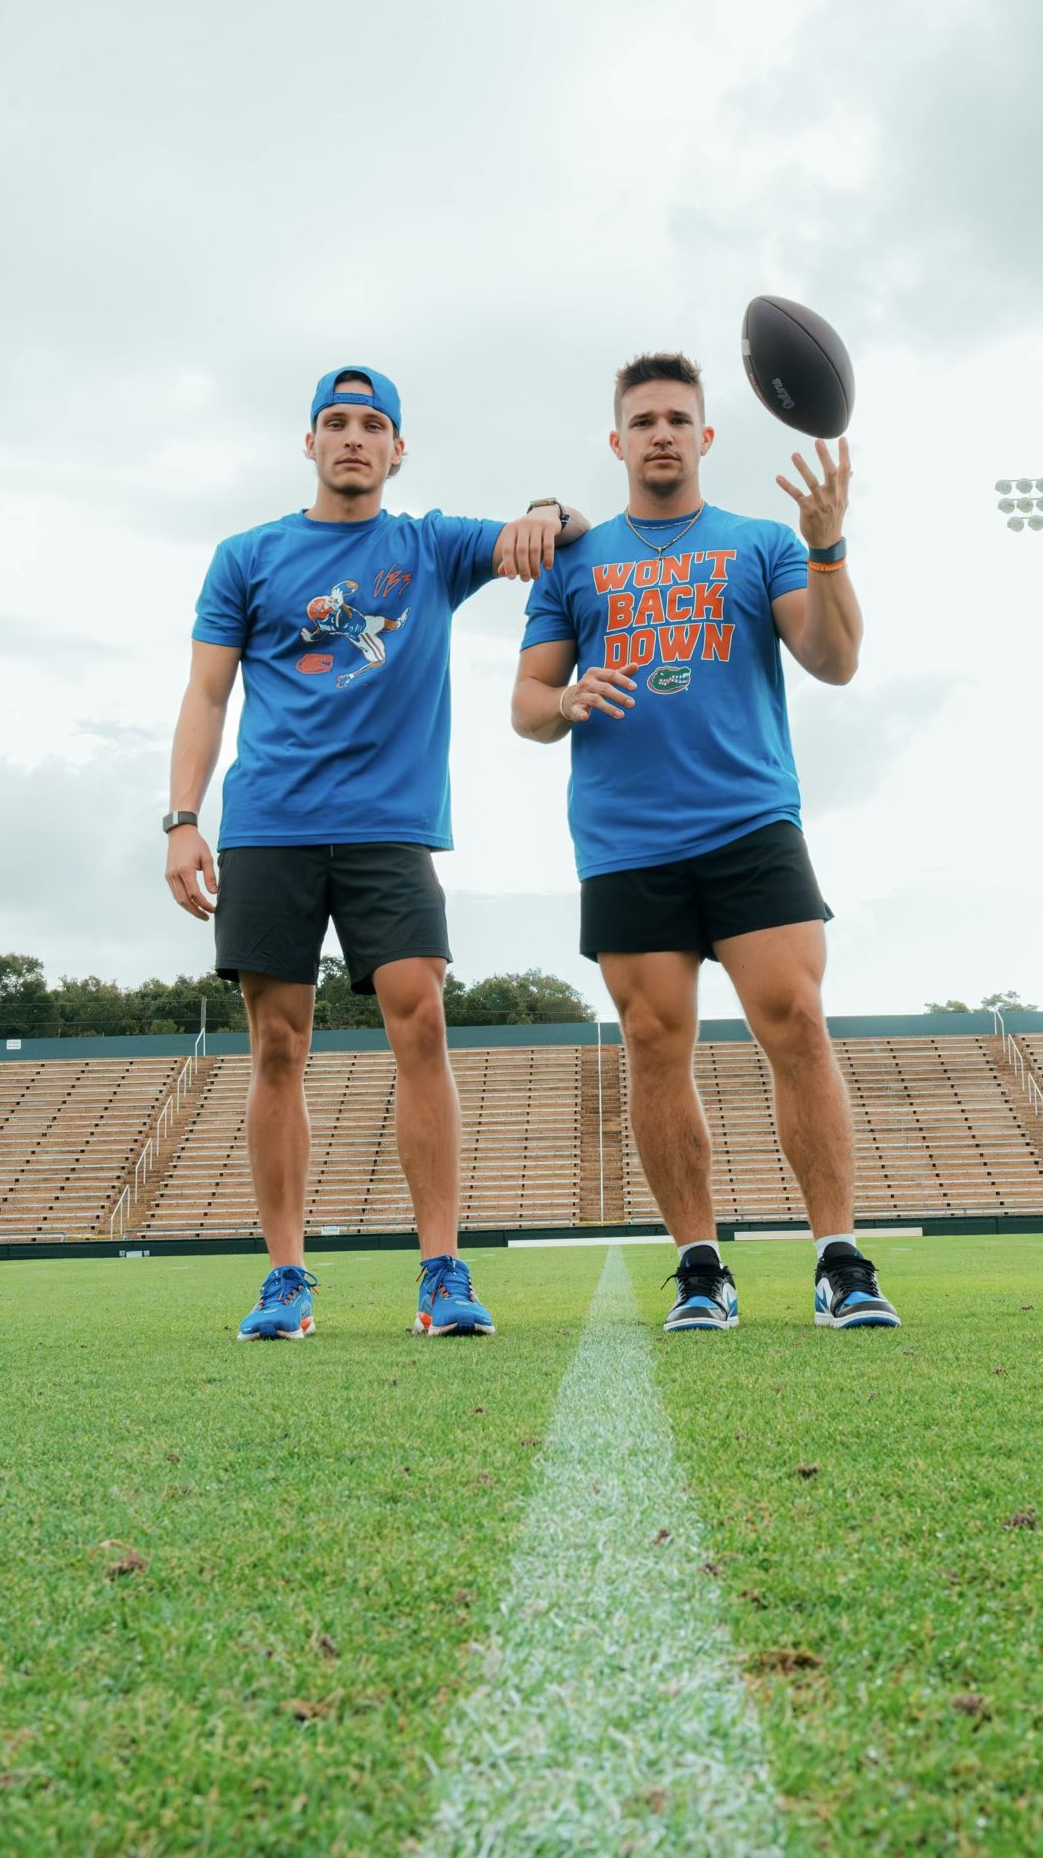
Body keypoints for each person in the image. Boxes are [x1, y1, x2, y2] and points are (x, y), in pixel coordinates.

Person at [165, 364, 588, 1342]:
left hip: (387, 829)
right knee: (276, 1045)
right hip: (268, 823)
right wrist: (181, 816)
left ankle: (440, 1271)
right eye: (334, 422)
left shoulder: (429, 546)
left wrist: (538, 507)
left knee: (421, 1020)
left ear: (397, 449)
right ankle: (285, 1278)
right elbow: (205, 695)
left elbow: (563, 526)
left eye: (371, 425)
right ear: (308, 443)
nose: (352, 437)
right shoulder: (246, 554)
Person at [513, 350, 898, 1332]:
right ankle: (698, 1267)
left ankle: (837, 1260)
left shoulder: (759, 543)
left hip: (748, 823)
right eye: (641, 419)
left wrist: (827, 547)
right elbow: (524, 703)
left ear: (705, 435)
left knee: (797, 1021)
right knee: (651, 1044)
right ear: (616, 440)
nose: (660, 433)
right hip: (626, 838)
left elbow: (834, 659)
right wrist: (562, 699)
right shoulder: (574, 561)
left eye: (677, 418)